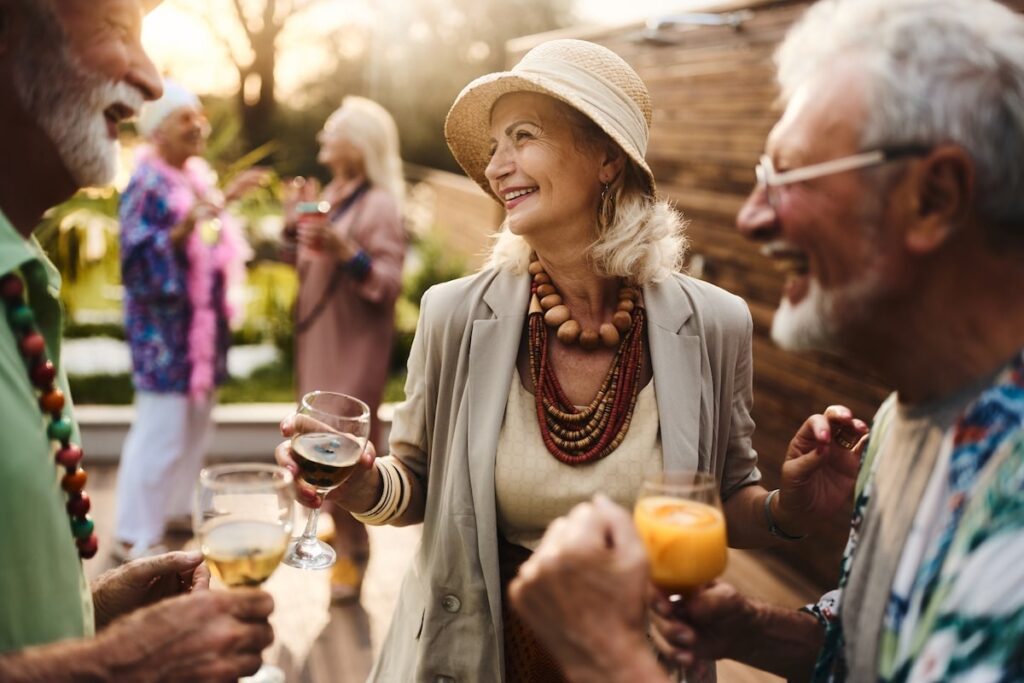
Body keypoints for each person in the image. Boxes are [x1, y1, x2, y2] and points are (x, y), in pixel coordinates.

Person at [277, 39, 866, 681]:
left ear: (607, 157)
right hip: (479, 658)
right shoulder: (453, 315)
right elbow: (416, 484)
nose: (498, 166)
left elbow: (721, 504)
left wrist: (789, 511)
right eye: (494, 146)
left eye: (522, 137)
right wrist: (362, 481)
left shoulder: (716, 324)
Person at [512, 0, 1024, 681]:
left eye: (788, 175)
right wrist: (751, 626)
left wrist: (609, 658)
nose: (752, 217)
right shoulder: (903, 421)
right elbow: (870, 644)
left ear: (932, 199)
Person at [0, 0, 274, 680]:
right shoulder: (149, 183)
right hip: (165, 334)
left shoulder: (20, 284)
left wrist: (92, 611)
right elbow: (146, 259)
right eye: (118, 30)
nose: (152, 81)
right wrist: (115, 664)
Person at [113, 79, 263, 560]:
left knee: (196, 425)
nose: (199, 125)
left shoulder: (196, 178)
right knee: (161, 431)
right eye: (186, 118)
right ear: (158, 131)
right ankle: (134, 532)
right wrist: (181, 228)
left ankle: (175, 512)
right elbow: (135, 259)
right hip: (164, 336)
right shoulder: (146, 182)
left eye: (200, 115)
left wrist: (226, 201)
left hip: (202, 333)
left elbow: (207, 232)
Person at [281, 95, 406, 603]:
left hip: (355, 341)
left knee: (343, 445)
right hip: (321, 336)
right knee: (316, 435)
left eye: (332, 131)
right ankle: (336, 524)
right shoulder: (333, 193)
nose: (322, 140)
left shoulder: (379, 205)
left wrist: (345, 251)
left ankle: (355, 549)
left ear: (358, 144)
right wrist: (295, 226)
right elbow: (303, 263)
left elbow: (388, 282)